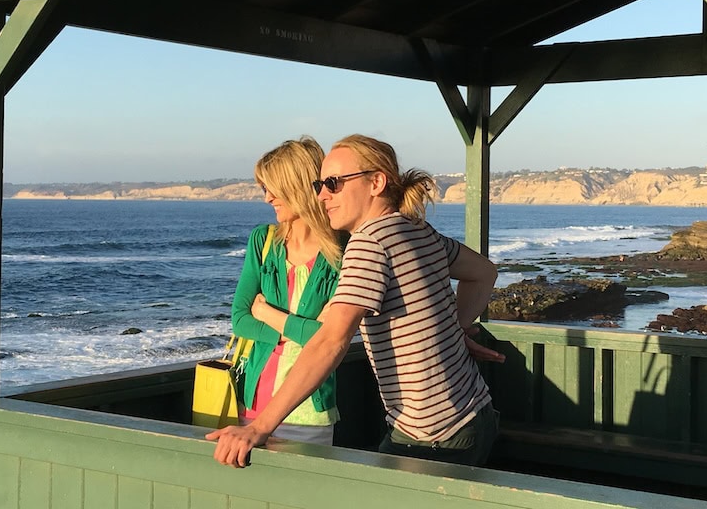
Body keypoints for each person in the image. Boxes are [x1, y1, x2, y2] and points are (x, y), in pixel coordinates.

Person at [207, 134, 504, 467]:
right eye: (320, 185)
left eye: (333, 184)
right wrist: (456, 329)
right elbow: (484, 272)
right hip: (475, 414)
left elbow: (330, 342)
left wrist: (259, 427)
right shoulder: (415, 229)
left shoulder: (368, 243)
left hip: (433, 434)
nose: (321, 196)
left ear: (376, 182)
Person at [227, 136, 345, 445]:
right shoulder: (263, 242)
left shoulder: (342, 252)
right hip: (251, 407)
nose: (267, 198)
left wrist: (265, 313)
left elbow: (328, 341)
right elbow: (240, 319)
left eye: (272, 188)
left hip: (310, 414)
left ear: (298, 185)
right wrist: (302, 330)